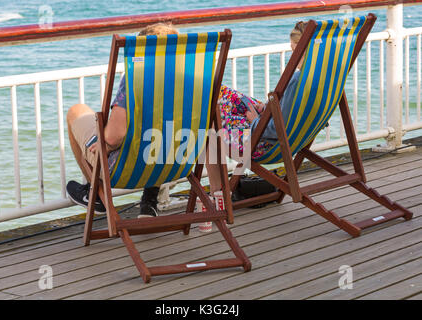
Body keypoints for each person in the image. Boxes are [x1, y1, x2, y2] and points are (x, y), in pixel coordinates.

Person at [66, 22, 179, 218]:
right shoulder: (194, 80)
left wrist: (106, 143)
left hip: (127, 168)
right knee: (159, 133)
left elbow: (115, 136)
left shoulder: (137, 77)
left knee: (76, 112)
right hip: (174, 162)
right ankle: (149, 200)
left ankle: (96, 194)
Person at [206, 21, 308, 197]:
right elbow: (291, 110)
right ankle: (214, 97)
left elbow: (275, 130)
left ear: (303, 51)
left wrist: (255, 121)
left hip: (264, 142)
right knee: (221, 92)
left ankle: (219, 196)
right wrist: (269, 107)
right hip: (290, 136)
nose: (293, 57)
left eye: (294, 52)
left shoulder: (296, 81)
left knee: (210, 133)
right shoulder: (319, 78)